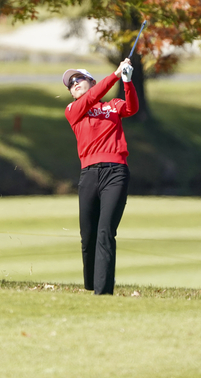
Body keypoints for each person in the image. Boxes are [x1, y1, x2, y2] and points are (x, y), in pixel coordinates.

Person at [62, 58, 138, 295]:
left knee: (106, 231)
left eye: (79, 79)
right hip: (89, 175)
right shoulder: (73, 110)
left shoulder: (113, 106)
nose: (74, 84)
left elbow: (132, 108)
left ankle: (102, 292)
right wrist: (115, 75)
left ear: (91, 81)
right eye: (70, 84)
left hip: (115, 173)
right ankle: (90, 286)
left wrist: (127, 81)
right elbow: (91, 97)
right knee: (88, 236)